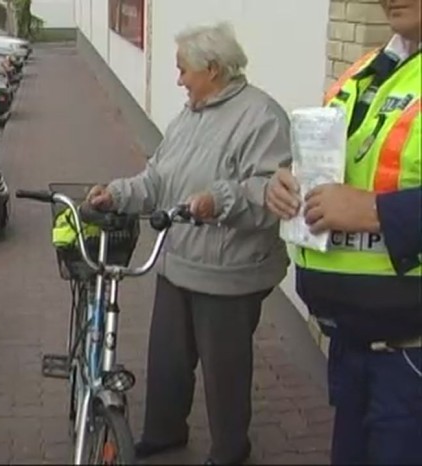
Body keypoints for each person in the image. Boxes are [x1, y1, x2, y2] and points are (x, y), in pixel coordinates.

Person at [85, 22, 291, 465]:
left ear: (213, 69)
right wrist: (118, 193)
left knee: (225, 373)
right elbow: (159, 178)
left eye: (183, 70)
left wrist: (219, 200)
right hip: (178, 260)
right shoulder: (187, 117)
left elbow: (268, 192)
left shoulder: (262, 117)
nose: (178, 79)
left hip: (230, 272)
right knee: (168, 360)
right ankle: (164, 432)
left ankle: (231, 450)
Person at [265, 0, 421, 463]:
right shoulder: (370, 68)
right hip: (353, 345)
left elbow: (366, 201)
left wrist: (377, 212)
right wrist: (285, 179)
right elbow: (341, 163)